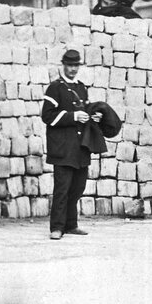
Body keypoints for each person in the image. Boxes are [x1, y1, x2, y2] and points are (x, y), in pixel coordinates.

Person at [41, 49, 101, 240]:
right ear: (64, 65)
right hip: (62, 147)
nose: (73, 69)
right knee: (62, 188)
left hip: (80, 147)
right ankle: (57, 227)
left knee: (77, 188)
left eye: (76, 66)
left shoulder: (82, 88)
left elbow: (85, 112)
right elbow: (47, 116)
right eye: (70, 65)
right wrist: (73, 116)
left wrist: (94, 117)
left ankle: (71, 224)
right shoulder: (55, 88)